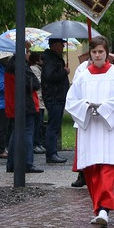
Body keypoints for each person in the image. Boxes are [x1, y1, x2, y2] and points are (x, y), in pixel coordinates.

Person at [65, 35, 114, 226]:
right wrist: (87, 108)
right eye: (94, 52)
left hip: (109, 129)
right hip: (90, 129)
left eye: (100, 52)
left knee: (107, 168)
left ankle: (104, 209)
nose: (97, 55)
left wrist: (103, 108)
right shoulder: (82, 77)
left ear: (107, 53)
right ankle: (99, 208)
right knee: (92, 170)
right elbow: (71, 101)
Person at [4, 44, 43, 174]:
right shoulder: (21, 66)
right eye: (29, 51)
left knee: (15, 133)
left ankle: (11, 163)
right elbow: (34, 84)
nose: (30, 54)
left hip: (14, 103)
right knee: (27, 133)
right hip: (26, 104)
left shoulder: (11, 65)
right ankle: (27, 163)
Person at [41, 36, 71, 164]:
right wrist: (64, 72)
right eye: (61, 44)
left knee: (55, 125)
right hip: (54, 97)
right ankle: (51, 153)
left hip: (57, 96)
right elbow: (50, 76)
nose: (63, 47)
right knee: (53, 126)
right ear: (55, 45)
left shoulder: (53, 58)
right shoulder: (50, 59)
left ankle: (52, 152)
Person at [28, 50, 46, 154]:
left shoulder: (38, 69)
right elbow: (38, 83)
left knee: (40, 122)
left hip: (40, 99)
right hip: (37, 99)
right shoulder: (34, 69)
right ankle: (36, 143)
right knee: (37, 123)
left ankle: (38, 143)